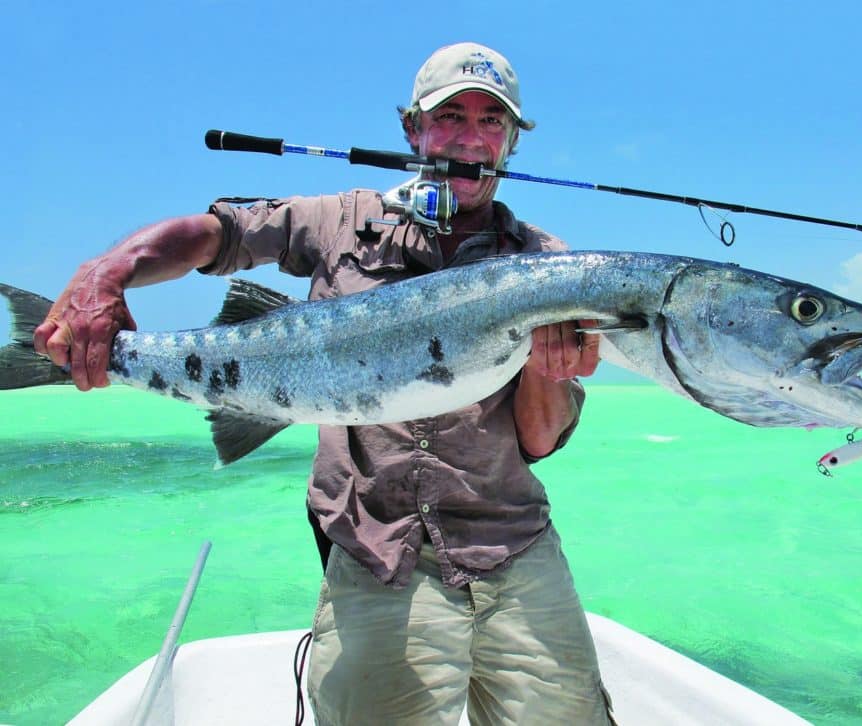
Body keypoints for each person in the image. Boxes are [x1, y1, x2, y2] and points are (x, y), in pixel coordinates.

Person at [33, 42, 613, 724]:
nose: (470, 136)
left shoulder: (548, 266)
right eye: (450, 115)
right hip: (375, 549)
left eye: (492, 122)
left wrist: (550, 368)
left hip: (512, 545)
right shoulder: (340, 220)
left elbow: (539, 441)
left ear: (511, 142)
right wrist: (110, 270)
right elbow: (216, 235)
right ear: (413, 131)